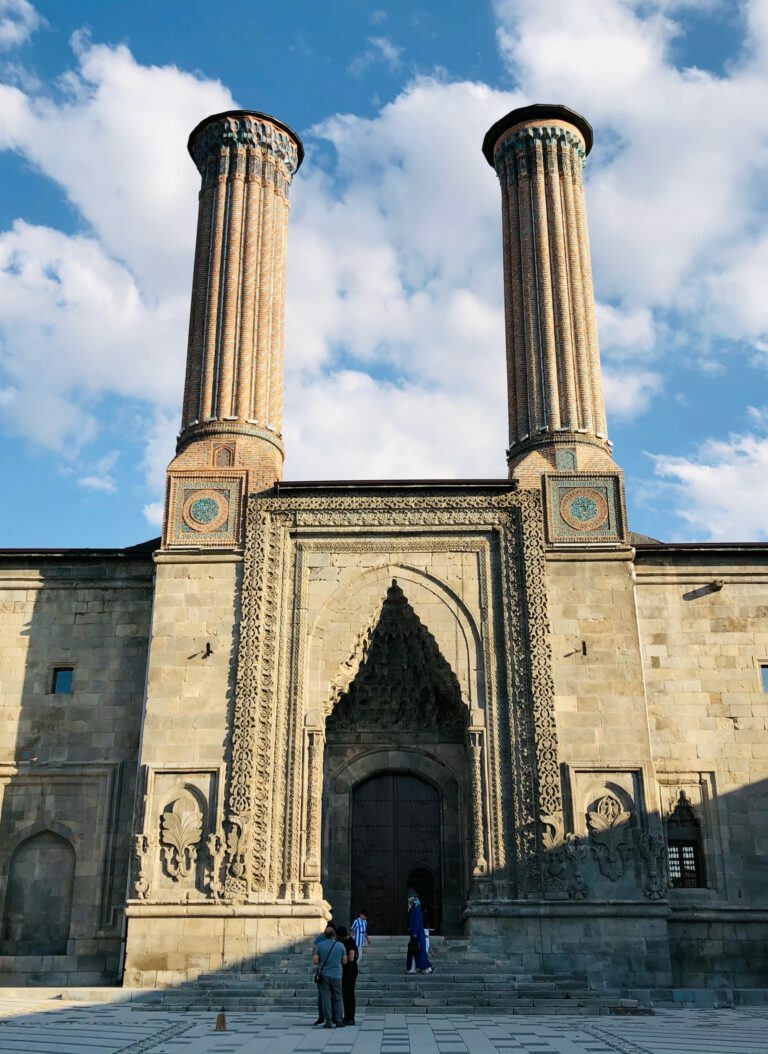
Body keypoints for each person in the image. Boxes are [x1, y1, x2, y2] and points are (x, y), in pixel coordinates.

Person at [312, 923, 347, 1029]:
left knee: (326, 998)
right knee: (338, 998)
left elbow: (315, 961)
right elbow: (345, 961)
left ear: (325, 935)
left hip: (324, 975)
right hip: (337, 975)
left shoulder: (320, 946)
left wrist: (323, 961)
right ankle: (339, 1020)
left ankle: (328, 1021)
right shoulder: (340, 945)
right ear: (334, 935)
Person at [336, 925, 358, 1026]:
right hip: (344, 971)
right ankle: (347, 1016)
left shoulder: (351, 942)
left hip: (350, 970)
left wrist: (341, 958)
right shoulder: (342, 942)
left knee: (350, 994)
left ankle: (351, 1017)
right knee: (345, 994)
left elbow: (351, 958)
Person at [407, 895, 433, 974]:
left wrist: (415, 932)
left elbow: (417, 923)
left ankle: (426, 967)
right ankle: (413, 968)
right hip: (415, 934)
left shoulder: (416, 911)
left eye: (410, 903)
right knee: (414, 951)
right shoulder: (414, 910)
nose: (409, 904)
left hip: (417, 934)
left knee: (418, 951)